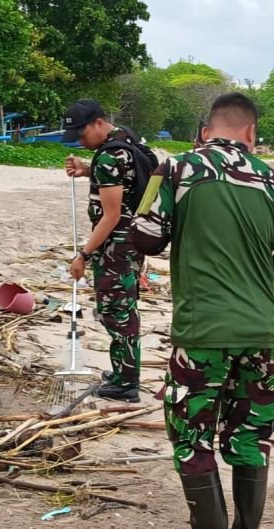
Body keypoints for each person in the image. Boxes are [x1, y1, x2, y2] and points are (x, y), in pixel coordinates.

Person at [132, 93, 274, 529]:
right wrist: (255, 289)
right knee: (251, 436)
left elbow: (144, 238)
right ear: (251, 133)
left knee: (192, 436)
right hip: (259, 331)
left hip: (203, 329)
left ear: (207, 128)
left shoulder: (178, 170)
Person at [63, 99, 152, 402]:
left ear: (99, 123)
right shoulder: (125, 140)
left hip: (117, 248)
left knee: (117, 312)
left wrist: (83, 255)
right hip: (133, 242)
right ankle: (122, 371)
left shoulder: (109, 157)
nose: (80, 140)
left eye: (82, 133)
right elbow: (123, 182)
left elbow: (111, 216)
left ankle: (127, 383)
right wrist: (88, 170)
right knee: (124, 307)